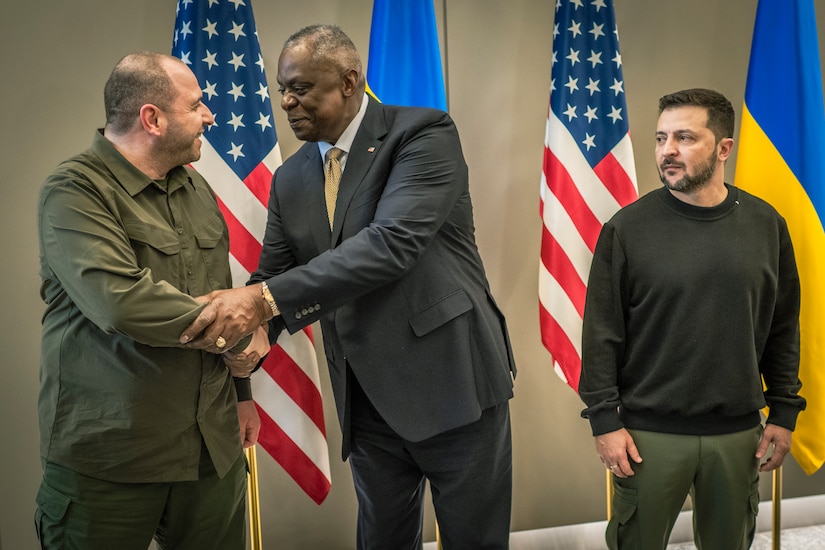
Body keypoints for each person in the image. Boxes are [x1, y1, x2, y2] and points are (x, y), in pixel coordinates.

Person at [178, 24, 517, 549]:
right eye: (281, 90)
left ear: (349, 81)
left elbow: (390, 245)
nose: (287, 102)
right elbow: (274, 274)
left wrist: (263, 302)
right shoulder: (290, 178)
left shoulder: (421, 134)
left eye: (301, 88)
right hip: (366, 400)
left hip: (454, 385)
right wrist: (253, 333)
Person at [35, 52, 264, 549]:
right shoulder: (75, 189)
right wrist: (246, 316)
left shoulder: (195, 188)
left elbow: (220, 290)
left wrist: (243, 396)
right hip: (115, 456)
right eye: (197, 104)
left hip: (211, 450)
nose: (210, 115)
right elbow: (121, 302)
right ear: (152, 119)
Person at [579, 88, 806, 549]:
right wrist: (604, 421)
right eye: (662, 138)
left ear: (724, 148)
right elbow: (601, 335)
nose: (668, 151)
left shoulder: (767, 226)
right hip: (647, 436)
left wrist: (783, 411)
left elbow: (783, 326)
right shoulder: (626, 230)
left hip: (739, 434)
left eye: (684, 138)